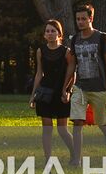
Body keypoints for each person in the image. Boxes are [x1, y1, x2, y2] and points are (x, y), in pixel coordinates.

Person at [68, 4, 106, 167]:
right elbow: (71, 65)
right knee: (77, 122)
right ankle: (76, 159)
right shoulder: (74, 39)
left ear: (91, 18)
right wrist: (66, 86)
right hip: (80, 87)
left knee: (103, 124)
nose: (80, 22)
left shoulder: (102, 38)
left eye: (83, 18)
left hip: (99, 88)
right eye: (78, 19)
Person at [28, 19, 75, 164]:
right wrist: (33, 95)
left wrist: (67, 91)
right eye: (47, 31)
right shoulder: (40, 51)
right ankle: (48, 159)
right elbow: (39, 74)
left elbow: (72, 73)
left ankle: (75, 154)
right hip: (45, 93)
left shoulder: (67, 52)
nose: (50, 33)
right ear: (44, 35)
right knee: (47, 129)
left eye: (53, 31)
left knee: (62, 130)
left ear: (59, 34)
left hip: (61, 93)